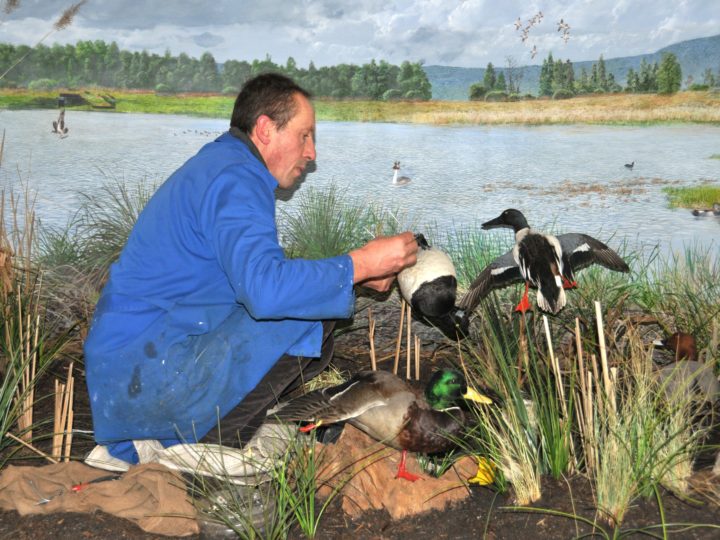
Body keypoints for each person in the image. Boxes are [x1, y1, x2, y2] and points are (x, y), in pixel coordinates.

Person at [84, 73, 418, 464]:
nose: (312, 153)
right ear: (264, 129)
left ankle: (190, 433)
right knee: (307, 314)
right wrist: (358, 264)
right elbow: (265, 292)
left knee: (315, 298)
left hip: (134, 371)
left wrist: (356, 275)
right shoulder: (237, 179)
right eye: (304, 136)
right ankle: (199, 444)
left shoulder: (224, 166)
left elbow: (256, 280)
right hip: (149, 375)